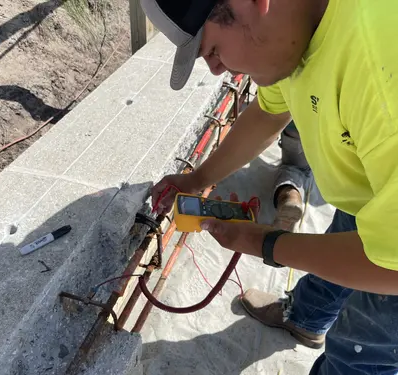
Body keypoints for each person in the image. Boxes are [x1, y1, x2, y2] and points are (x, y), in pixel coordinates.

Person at [140, 0, 398, 374]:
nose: (214, 69)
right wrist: (197, 179)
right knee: (346, 231)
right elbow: (269, 113)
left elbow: (390, 268)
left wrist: (264, 243)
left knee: (360, 349)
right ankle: (305, 316)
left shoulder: (379, 72)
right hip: (372, 197)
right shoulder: (293, 32)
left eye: (212, 50)